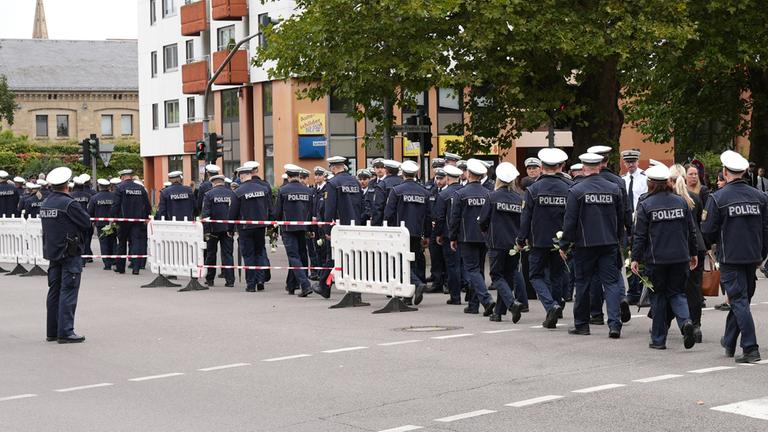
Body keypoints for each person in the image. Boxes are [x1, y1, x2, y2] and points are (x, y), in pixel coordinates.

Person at [701, 150, 765, 363]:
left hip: (731, 257)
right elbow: (766, 229)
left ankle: (750, 348)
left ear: (725, 172)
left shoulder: (718, 198)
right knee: (741, 300)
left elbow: (708, 230)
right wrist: (761, 254)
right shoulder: (760, 197)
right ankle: (729, 341)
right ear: (745, 171)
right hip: (753, 257)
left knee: (738, 301)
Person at [561, 152, 630, 339]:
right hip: (609, 243)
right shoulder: (614, 189)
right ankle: (615, 325)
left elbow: (570, 221)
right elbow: (621, 218)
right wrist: (619, 240)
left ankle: (582, 324)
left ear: (584, 168)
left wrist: (564, 244)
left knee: (583, 283)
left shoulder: (576, 190)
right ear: (600, 166)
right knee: (611, 283)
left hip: (585, 244)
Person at [631, 164, 698, 350]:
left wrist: (635, 258)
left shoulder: (646, 205)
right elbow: (690, 231)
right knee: (677, 293)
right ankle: (685, 323)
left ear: (650, 184)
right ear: (668, 182)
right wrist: (693, 253)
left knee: (659, 297)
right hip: (680, 258)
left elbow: (640, 235)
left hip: (656, 259)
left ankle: (659, 340)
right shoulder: (680, 202)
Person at [518, 148, 572, 328]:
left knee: (535, 275)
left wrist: (521, 239)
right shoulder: (569, 188)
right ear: (561, 166)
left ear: (541, 167)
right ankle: (557, 307)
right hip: (560, 241)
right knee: (557, 275)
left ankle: (551, 306)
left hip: (538, 240)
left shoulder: (533, 189)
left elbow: (526, 217)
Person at [40, 167, 91, 344]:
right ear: (67, 185)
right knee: (68, 291)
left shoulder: (46, 202)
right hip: (69, 252)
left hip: (53, 253)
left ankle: (52, 331)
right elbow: (86, 223)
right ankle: (66, 332)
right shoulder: (69, 203)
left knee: (54, 291)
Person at [586, 145, 632, 321]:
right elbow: (626, 210)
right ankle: (621, 299)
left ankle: (596, 313)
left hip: (590, 236)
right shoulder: (618, 181)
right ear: (606, 160)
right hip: (614, 233)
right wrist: (629, 232)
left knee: (595, 275)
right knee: (614, 271)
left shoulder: (584, 182)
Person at [478, 162, 524, 323]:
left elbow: (483, 220)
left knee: (497, 276)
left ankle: (511, 304)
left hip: (496, 242)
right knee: (508, 277)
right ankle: (498, 313)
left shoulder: (492, 196)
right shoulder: (519, 198)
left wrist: (485, 231)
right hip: (514, 243)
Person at [450, 159, 494, 316]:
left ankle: (486, 300)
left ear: (468, 174)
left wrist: (452, 237)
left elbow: (454, 218)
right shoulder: (489, 193)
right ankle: (473, 305)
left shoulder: (460, 194)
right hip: (484, 236)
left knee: (472, 270)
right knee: (479, 270)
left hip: (466, 236)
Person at [316, 156, 364, 300]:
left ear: (333, 167)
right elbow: (361, 205)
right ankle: (351, 290)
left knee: (333, 256)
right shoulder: (355, 182)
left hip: (340, 226)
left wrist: (327, 229)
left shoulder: (333, 183)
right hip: (355, 225)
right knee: (352, 257)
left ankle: (324, 286)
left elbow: (329, 209)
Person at [384, 160, 431, 305]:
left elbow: (388, 214)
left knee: (399, 263)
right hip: (417, 233)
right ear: (416, 173)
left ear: (402, 174)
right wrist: (427, 235)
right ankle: (408, 296)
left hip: (400, 233)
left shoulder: (397, 190)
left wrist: (388, 230)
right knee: (413, 263)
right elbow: (429, 216)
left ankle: (416, 284)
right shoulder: (424, 192)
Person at [670, 164, 706, 342]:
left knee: (674, 288)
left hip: (680, 247)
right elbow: (698, 223)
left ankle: (679, 322)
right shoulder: (694, 198)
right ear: (684, 178)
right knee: (694, 288)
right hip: (697, 245)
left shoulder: (671, 199)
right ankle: (696, 325)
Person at [229, 165, 272, 292]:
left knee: (248, 255)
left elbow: (233, 212)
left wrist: (230, 228)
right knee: (259, 253)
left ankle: (251, 284)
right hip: (260, 226)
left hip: (245, 227)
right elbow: (269, 207)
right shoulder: (263, 189)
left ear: (242, 176)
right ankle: (260, 280)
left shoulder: (238, 192)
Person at [273, 164, 314, 297]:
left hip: (288, 228)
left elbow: (278, 211)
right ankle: (291, 285)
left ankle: (305, 285)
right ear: (299, 176)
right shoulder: (308, 191)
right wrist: (310, 228)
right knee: (301, 255)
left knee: (293, 256)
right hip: (303, 227)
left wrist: (274, 226)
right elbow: (311, 211)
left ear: (288, 177)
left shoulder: (283, 190)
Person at [111, 169, 152, 275]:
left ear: (123, 177)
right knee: (136, 242)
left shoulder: (119, 188)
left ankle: (121, 268)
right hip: (137, 220)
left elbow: (116, 204)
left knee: (122, 243)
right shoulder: (140, 188)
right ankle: (136, 268)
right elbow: (147, 204)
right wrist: (146, 216)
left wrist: (113, 217)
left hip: (123, 220)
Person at [434, 165, 464, 305]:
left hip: (449, 235)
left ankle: (455, 296)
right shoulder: (465, 191)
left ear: (447, 178)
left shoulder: (443, 195)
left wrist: (438, 234)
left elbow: (440, 218)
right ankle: (471, 293)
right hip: (466, 234)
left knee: (453, 266)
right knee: (468, 266)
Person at [201, 174, 236, 288]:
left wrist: (206, 231)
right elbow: (235, 212)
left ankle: (210, 279)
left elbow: (206, 214)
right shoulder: (231, 193)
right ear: (223, 182)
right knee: (227, 254)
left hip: (213, 229)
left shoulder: (209, 194)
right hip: (228, 229)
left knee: (211, 254)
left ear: (213, 183)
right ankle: (230, 280)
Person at [88, 179, 116, 270]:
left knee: (104, 243)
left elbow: (90, 212)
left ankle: (107, 264)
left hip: (100, 224)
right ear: (108, 187)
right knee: (113, 242)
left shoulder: (95, 198)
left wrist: (92, 222)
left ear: (99, 186)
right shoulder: (114, 196)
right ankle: (114, 261)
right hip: (113, 223)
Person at [427, 168, 447, 293]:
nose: (438, 181)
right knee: (435, 257)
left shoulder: (448, 192)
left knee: (446, 257)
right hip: (433, 228)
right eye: (437, 178)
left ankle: (446, 282)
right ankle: (437, 281)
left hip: (444, 228)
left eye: (441, 178)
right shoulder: (433, 191)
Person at [372, 160, 403, 226]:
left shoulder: (382, 184)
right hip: (403, 222)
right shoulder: (403, 183)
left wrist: (375, 225)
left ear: (386, 170)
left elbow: (378, 207)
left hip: (387, 224)